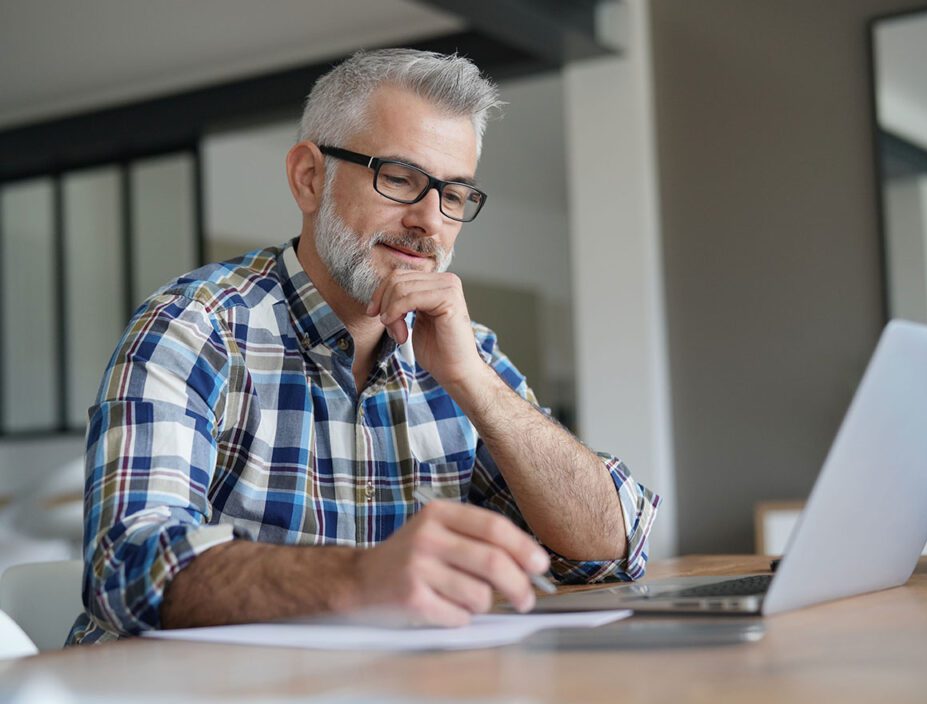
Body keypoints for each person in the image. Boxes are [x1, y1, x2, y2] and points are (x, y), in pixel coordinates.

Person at [68, 49, 659, 645]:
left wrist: (475, 384)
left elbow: (613, 550)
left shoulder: (467, 352)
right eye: (399, 178)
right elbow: (126, 569)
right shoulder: (194, 326)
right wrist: (362, 577)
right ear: (309, 177)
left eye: (454, 195)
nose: (430, 221)